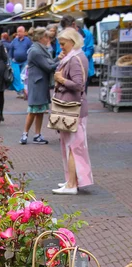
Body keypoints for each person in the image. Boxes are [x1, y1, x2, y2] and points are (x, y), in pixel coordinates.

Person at [52, 28, 93, 195]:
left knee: (72, 146)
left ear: (72, 42)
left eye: (63, 44)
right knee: (71, 145)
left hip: (71, 107)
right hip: (71, 106)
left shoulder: (75, 59)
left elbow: (78, 85)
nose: (61, 47)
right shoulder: (76, 56)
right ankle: (72, 180)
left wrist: (61, 79)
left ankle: (71, 184)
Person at [20, 28, 58, 146]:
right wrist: (61, 60)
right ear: (41, 38)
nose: (49, 40)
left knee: (40, 111)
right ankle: (24, 134)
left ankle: (37, 135)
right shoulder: (35, 51)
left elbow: (50, 63)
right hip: (37, 84)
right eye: (47, 37)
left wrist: (58, 59)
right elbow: (48, 67)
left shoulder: (40, 49)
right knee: (33, 110)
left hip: (41, 83)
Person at [60, 15, 95, 88]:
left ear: (74, 24)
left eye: (68, 30)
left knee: (81, 92)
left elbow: (90, 50)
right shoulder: (63, 35)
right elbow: (59, 51)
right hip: (67, 70)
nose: (67, 32)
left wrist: (76, 58)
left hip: (83, 69)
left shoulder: (87, 34)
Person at [9, 26, 32, 98]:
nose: (18, 33)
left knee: (23, 78)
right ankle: (20, 92)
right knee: (16, 77)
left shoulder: (28, 40)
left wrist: (29, 60)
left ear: (24, 32)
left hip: (25, 62)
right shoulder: (14, 40)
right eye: (17, 31)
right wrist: (11, 59)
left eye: (20, 31)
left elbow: (31, 50)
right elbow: (11, 50)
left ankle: (24, 92)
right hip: (15, 62)